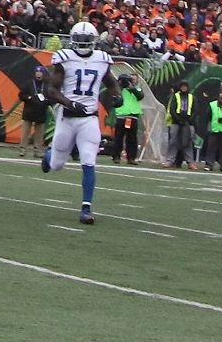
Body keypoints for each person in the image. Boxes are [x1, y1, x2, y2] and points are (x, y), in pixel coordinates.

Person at [41, 21, 120, 225]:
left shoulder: (102, 59)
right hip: (67, 117)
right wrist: (69, 103)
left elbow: (112, 83)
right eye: (80, 39)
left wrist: (118, 96)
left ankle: (86, 208)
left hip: (89, 118)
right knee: (57, 165)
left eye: (87, 39)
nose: (84, 43)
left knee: (89, 160)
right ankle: (49, 156)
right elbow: (51, 90)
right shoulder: (64, 59)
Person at [109, 72, 143, 164]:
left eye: (133, 80)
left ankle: (131, 158)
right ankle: (116, 156)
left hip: (133, 116)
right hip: (121, 116)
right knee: (118, 138)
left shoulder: (137, 89)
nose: (131, 81)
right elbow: (114, 97)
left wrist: (131, 88)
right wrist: (120, 84)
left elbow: (140, 96)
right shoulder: (119, 90)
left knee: (132, 139)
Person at [166, 80, 199, 170]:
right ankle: (170, 161)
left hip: (189, 123)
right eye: (182, 86)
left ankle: (190, 162)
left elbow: (195, 110)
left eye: (185, 86)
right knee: (173, 141)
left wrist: (189, 120)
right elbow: (172, 109)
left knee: (188, 142)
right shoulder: (175, 96)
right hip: (176, 122)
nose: (184, 88)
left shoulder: (192, 97)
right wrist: (178, 119)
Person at [19, 64, 49, 159]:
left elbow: (51, 97)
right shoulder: (29, 84)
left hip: (41, 112)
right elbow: (21, 95)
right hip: (29, 111)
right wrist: (29, 98)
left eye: (40, 72)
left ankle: (37, 151)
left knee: (39, 134)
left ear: (43, 74)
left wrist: (46, 100)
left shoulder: (46, 85)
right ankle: (23, 150)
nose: (38, 74)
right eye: (37, 72)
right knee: (25, 133)